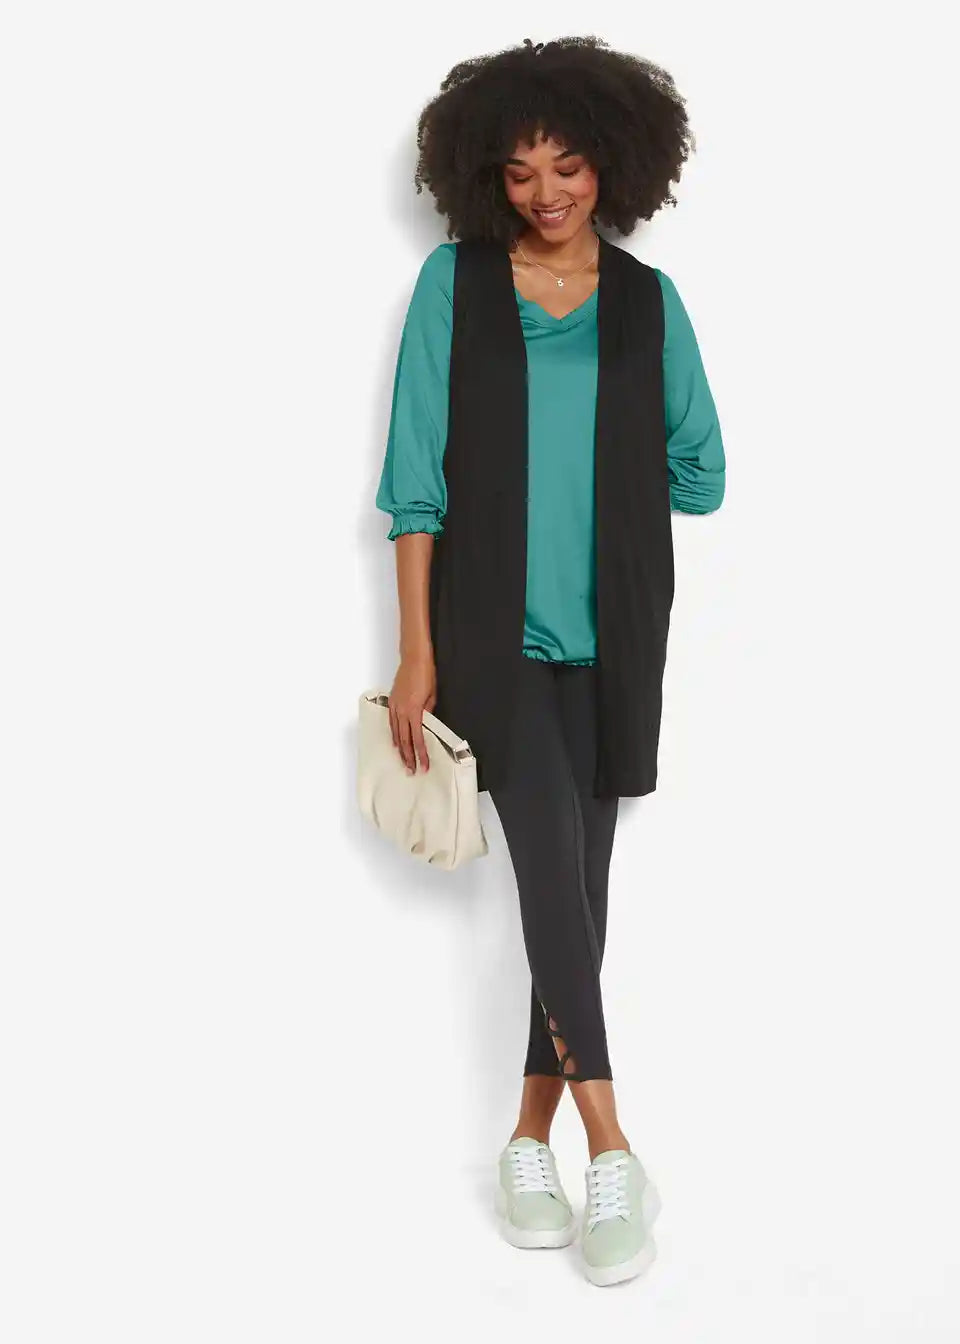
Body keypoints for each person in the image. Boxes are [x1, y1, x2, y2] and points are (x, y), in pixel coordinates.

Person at [374, 35, 725, 1287]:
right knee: (548, 875)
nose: (545, 193)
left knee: (576, 891)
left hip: (614, 636)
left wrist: (612, 477)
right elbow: (415, 485)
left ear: (612, 164)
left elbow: (703, 473)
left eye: (567, 166)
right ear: (487, 174)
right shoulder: (456, 287)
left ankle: (529, 1140)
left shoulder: (647, 303)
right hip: (490, 636)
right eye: (520, 171)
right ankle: (615, 1152)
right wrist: (416, 652)